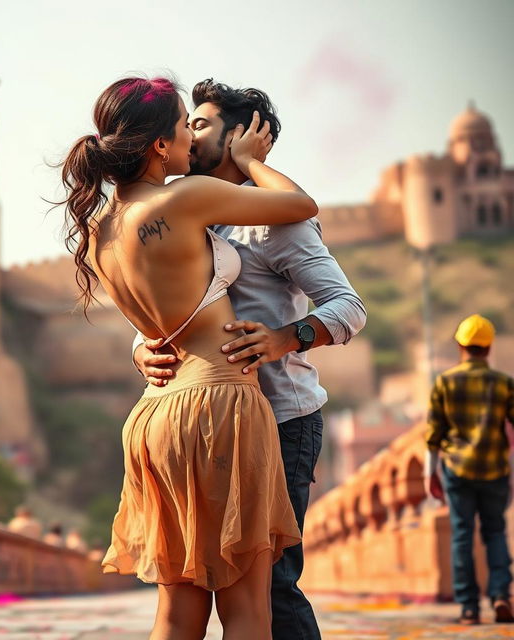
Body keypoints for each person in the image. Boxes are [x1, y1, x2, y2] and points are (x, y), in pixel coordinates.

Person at [60, 75, 317, 640]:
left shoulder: (100, 231)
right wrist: (250, 159)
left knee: (178, 613)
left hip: (156, 415)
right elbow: (300, 204)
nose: (190, 141)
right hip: (221, 402)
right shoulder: (183, 198)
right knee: (248, 611)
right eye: (183, 128)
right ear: (158, 145)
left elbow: (160, 318)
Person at [134, 79, 366, 640]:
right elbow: (153, 307)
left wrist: (285, 337)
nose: (188, 131)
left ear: (239, 137)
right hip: (206, 423)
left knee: (271, 588)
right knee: (194, 581)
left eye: (203, 124)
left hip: (280, 419)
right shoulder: (184, 215)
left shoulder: (274, 222)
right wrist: (140, 348)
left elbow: (349, 306)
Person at [425, 314, 514, 625]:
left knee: (462, 535)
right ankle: (502, 594)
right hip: (495, 468)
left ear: (461, 346)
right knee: (495, 532)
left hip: (456, 470)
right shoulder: (504, 383)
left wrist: (429, 474)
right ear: (488, 348)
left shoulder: (445, 383)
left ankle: (469, 608)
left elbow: (434, 434)